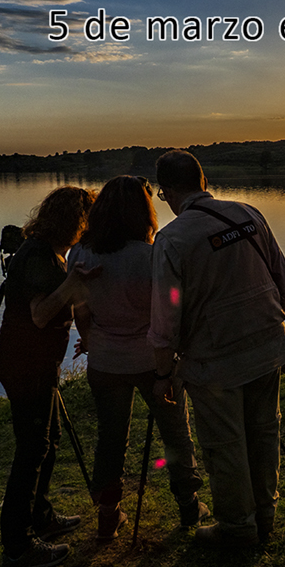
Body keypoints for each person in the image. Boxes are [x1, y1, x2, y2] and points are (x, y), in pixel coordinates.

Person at [148, 150, 285, 548]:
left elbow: (164, 322)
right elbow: (284, 283)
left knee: (225, 445)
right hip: (268, 347)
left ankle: (237, 527)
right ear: (204, 181)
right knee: (264, 433)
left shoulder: (172, 240)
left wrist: (163, 373)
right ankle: (265, 516)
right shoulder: (248, 214)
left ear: (167, 192)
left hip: (215, 363)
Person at [67, 175, 208, 541]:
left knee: (110, 439)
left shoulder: (80, 253)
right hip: (152, 360)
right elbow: (171, 310)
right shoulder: (152, 255)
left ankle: (107, 515)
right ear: (142, 211)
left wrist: (91, 341)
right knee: (176, 433)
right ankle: (189, 506)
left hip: (105, 362)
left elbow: (80, 311)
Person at [0, 185, 97, 567]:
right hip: (26, 365)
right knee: (31, 451)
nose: (88, 230)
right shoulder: (37, 256)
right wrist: (72, 285)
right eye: (87, 221)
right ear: (74, 219)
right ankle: (18, 548)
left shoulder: (46, 252)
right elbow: (38, 315)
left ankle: (42, 517)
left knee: (46, 443)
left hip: (38, 364)